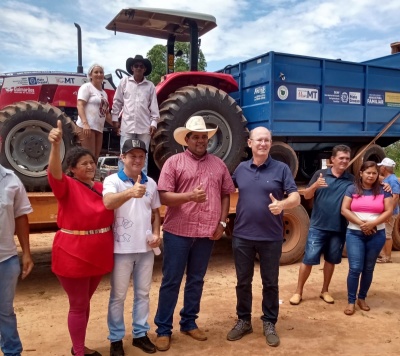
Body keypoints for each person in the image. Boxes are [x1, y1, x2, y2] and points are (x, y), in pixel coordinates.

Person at [153, 116, 236, 352]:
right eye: (196, 137)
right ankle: (163, 329)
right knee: (171, 281)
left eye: (204, 137)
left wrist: (222, 222)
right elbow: (164, 196)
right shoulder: (174, 163)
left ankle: (189, 322)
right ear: (186, 139)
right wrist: (189, 196)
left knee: (196, 280)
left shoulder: (218, 164)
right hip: (178, 231)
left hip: (206, 232)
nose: (201, 141)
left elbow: (226, 193)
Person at [226, 127, 300, 348]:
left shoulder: (281, 168)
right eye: (259, 140)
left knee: (270, 283)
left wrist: (283, 204)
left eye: (267, 140)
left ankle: (269, 322)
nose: (263, 143)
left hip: (271, 237)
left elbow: (295, 196)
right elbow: (224, 187)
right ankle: (244, 321)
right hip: (242, 235)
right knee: (243, 282)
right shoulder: (240, 169)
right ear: (250, 143)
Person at [48, 120, 114, 356]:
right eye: (84, 163)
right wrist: (55, 147)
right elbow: (54, 173)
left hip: (98, 253)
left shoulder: (101, 187)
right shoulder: (66, 186)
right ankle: (78, 351)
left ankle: (79, 346)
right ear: (72, 169)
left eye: (92, 162)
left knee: (85, 303)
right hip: (73, 254)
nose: (90, 166)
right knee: (78, 305)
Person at [103, 138, 161, 356]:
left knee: (143, 293)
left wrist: (156, 233)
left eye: (141, 156)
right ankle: (116, 338)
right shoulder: (112, 181)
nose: (137, 160)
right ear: (122, 158)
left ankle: (140, 334)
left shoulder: (151, 183)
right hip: (121, 250)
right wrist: (130, 192)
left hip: (145, 249)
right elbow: (108, 203)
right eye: (132, 156)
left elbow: (155, 213)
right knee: (118, 296)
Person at [289, 145, 354, 306]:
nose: (344, 161)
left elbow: (369, 183)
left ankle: (325, 290)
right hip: (318, 226)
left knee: (331, 261)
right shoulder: (320, 175)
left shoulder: (351, 180)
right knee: (308, 260)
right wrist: (315, 185)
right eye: (341, 158)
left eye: (347, 158)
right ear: (333, 159)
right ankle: (298, 292)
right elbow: (307, 195)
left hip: (338, 228)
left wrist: (386, 185)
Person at [341, 161, 392, 315]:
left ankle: (362, 298)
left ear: (378, 175)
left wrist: (373, 224)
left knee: (368, 268)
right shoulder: (352, 189)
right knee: (355, 268)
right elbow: (344, 209)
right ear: (361, 173)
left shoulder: (384, 190)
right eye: (368, 172)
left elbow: (388, 211)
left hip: (377, 234)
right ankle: (351, 301)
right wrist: (362, 224)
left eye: (374, 173)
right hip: (355, 234)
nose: (371, 176)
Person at [0, 135, 34, 356]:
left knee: (5, 312)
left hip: (5, 260)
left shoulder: (11, 180)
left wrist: (27, 254)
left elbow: (21, 217)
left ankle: (13, 352)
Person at [111, 55, 160, 174]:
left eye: (141, 66)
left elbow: (154, 107)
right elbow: (117, 101)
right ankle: (122, 184)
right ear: (132, 68)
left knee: (143, 156)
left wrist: (153, 123)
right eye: (136, 66)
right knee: (125, 154)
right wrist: (115, 119)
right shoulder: (124, 82)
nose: (138, 68)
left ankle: (141, 184)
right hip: (127, 126)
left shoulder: (150, 86)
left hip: (144, 128)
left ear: (144, 69)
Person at [76, 63, 112, 162]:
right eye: (96, 72)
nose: (99, 74)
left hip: (98, 128)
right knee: (88, 156)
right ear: (90, 75)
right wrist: (85, 123)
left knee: (95, 157)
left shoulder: (104, 93)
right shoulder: (86, 87)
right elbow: (80, 105)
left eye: (101, 72)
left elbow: (106, 113)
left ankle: (92, 177)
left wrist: (117, 126)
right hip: (87, 127)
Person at [377, 157, 400, 263]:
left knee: (387, 234)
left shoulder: (392, 180)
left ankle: (387, 257)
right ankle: (383, 255)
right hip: (386, 211)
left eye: (381, 166)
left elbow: (395, 196)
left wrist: (389, 212)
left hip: (390, 212)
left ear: (384, 168)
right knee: (383, 233)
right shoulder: (387, 179)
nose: (380, 168)